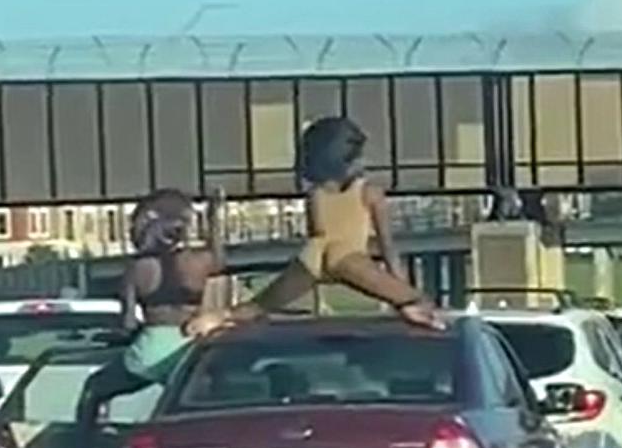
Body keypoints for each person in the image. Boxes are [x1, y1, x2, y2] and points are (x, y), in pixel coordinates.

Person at [184, 116, 441, 335]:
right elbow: (388, 249)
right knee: (418, 302)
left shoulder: (315, 194)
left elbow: (315, 233)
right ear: (351, 159)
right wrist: (402, 292)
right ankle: (413, 311)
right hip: (350, 257)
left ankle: (214, 318)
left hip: (313, 255)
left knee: (258, 306)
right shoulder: (371, 192)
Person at [70, 187, 225, 448]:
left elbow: (127, 323)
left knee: (94, 389)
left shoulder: (135, 269)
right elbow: (219, 255)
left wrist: (126, 334)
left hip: (149, 349)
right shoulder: (199, 262)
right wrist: (214, 215)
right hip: (190, 347)